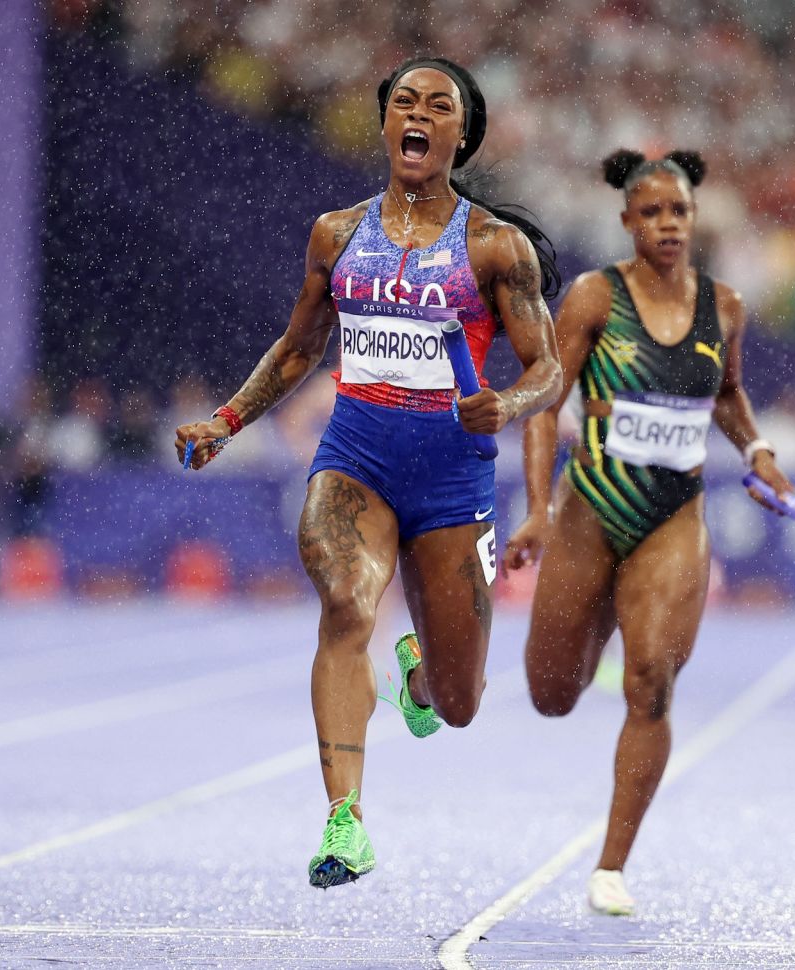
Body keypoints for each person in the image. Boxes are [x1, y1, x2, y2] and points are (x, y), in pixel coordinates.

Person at [175, 57, 561, 889]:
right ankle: (345, 822)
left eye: (439, 106)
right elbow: (300, 347)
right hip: (356, 456)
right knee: (347, 606)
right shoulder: (336, 234)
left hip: (454, 476)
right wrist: (228, 419)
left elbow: (549, 369)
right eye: (405, 102)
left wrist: (509, 402)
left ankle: (421, 671)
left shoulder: (497, 246)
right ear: (387, 124)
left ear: (462, 134)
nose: (419, 114)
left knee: (457, 705)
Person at [503, 149, 793, 916]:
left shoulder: (724, 306)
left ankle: (611, 866)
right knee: (552, 695)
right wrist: (536, 508)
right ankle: (597, 613)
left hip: (675, 514)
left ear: (694, 221)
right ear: (628, 221)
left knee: (652, 683)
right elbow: (542, 400)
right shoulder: (596, 298)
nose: (667, 224)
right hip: (590, 510)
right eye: (653, 213)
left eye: (680, 213)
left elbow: (727, 393)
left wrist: (757, 448)